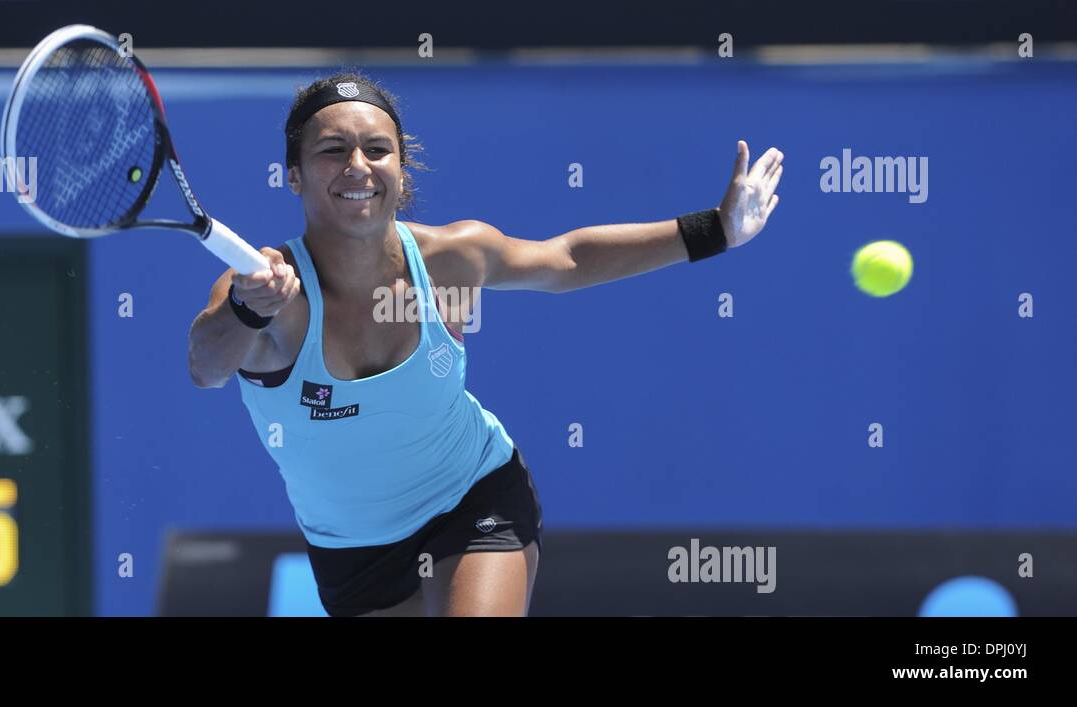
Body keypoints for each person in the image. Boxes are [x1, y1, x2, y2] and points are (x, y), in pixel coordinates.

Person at [188, 72, 783, 616]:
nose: (358, 167)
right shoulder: (266, 290)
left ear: (402, 167)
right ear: (293, 173)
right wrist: (246, 309)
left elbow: (567, 260)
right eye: (332, 151)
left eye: (376, 149)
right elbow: (206, 368)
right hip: (353, 550)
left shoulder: (454, 257)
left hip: (473, 496)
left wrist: (716, 230)